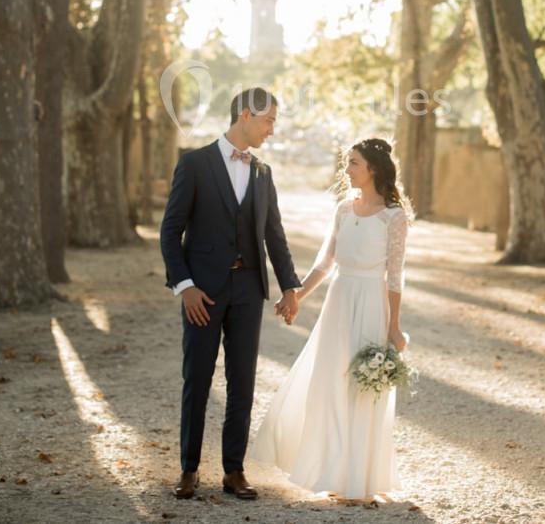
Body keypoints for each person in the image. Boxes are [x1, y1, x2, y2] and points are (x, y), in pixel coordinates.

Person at [158, 87, 303, 501]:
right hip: (201, 293)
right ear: (244, 115)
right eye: (268, 120)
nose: (272, 130)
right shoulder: (194, 164)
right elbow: (170, 232)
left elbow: (274, 234)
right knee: (197, 380)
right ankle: (188, 470)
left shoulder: (263, 172)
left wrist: (289, 286)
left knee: (242, 384)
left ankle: (234, 471)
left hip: (247, 290)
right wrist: (184, 286)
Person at [249, 137, 411, 502]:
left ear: (372, 169)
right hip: (338, 303)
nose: (347, 169)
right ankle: (332, 471)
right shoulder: (343, 209)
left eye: (353, 162)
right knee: (330, 382)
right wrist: (295, 296)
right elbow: (325, 264)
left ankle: (360, 479)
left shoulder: (394, 217)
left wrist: (393, 326)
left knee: (362, 388)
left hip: (371, 304)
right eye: (347, 162)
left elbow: (395, 277)